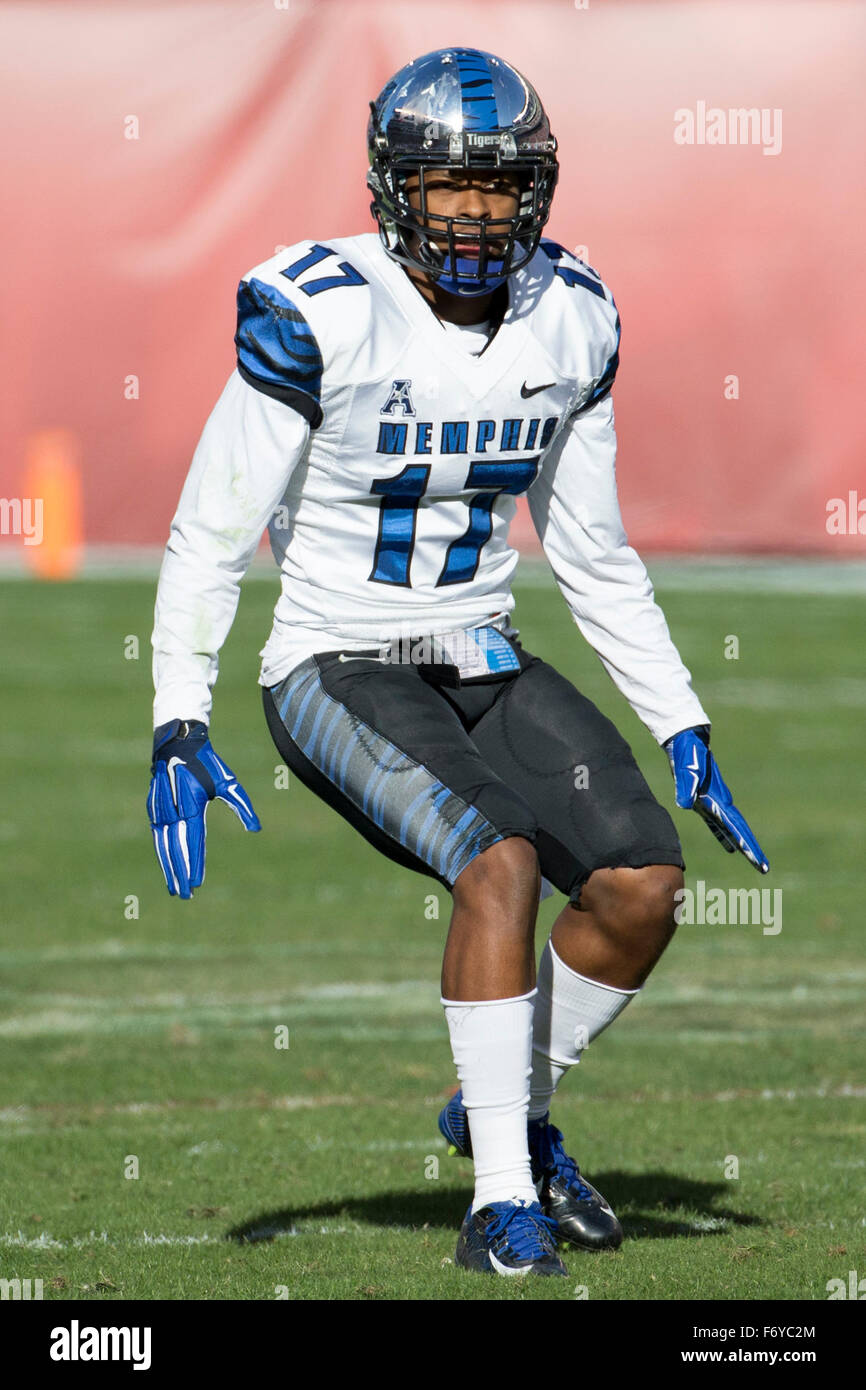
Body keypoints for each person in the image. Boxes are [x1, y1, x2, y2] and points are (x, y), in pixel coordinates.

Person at [147, 47, 768, 1279]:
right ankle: (499, 1198)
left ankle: (506, 1111)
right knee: (500, 862)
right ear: (393, 188)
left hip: (481, 648)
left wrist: (682, 719)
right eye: (448, 186)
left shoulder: (571, 312)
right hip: (335, 660)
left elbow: (590, 552)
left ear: (535, 192)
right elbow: (208, 533)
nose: (476, 213)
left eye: (499, 188)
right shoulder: (320, 308)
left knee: (643, 885)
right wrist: (178, 714)